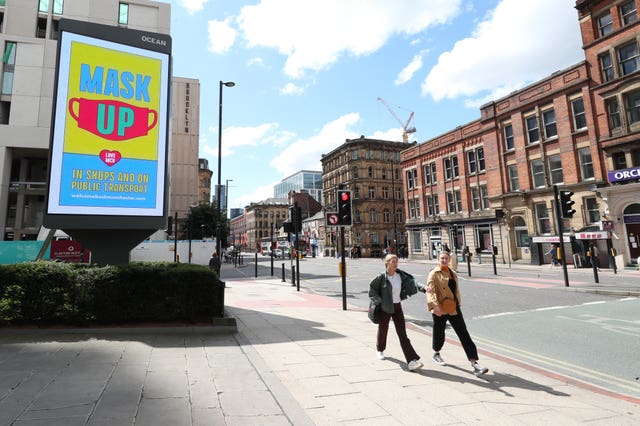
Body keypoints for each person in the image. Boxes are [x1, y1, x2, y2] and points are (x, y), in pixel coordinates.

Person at [426, 251, 488, 376]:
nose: (444, 260)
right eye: (442, 258)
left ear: (449, 260)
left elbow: (455, 291)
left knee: (464, 334)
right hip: (440, 308)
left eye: (446, 258)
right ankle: (436, 353)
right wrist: (434, 306)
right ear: (438, 259)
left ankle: (474, 363)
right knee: (439, 333)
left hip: (453, 308)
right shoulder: (433, 273)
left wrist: (458, 303)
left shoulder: (453, 273)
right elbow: (430, 291)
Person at [368, 254, 423, 371]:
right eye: (393, 261)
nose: (396, 263)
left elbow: (413, 282)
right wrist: (379, 301)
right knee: (383, 329)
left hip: (397, 306)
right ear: (387, 263)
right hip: (385, 307)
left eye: (396, 261)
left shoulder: (400, 275)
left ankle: (412, 360)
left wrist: (424, 288)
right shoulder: (381, 277)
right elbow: (372, 290)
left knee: (402, 334)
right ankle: (380, 350)